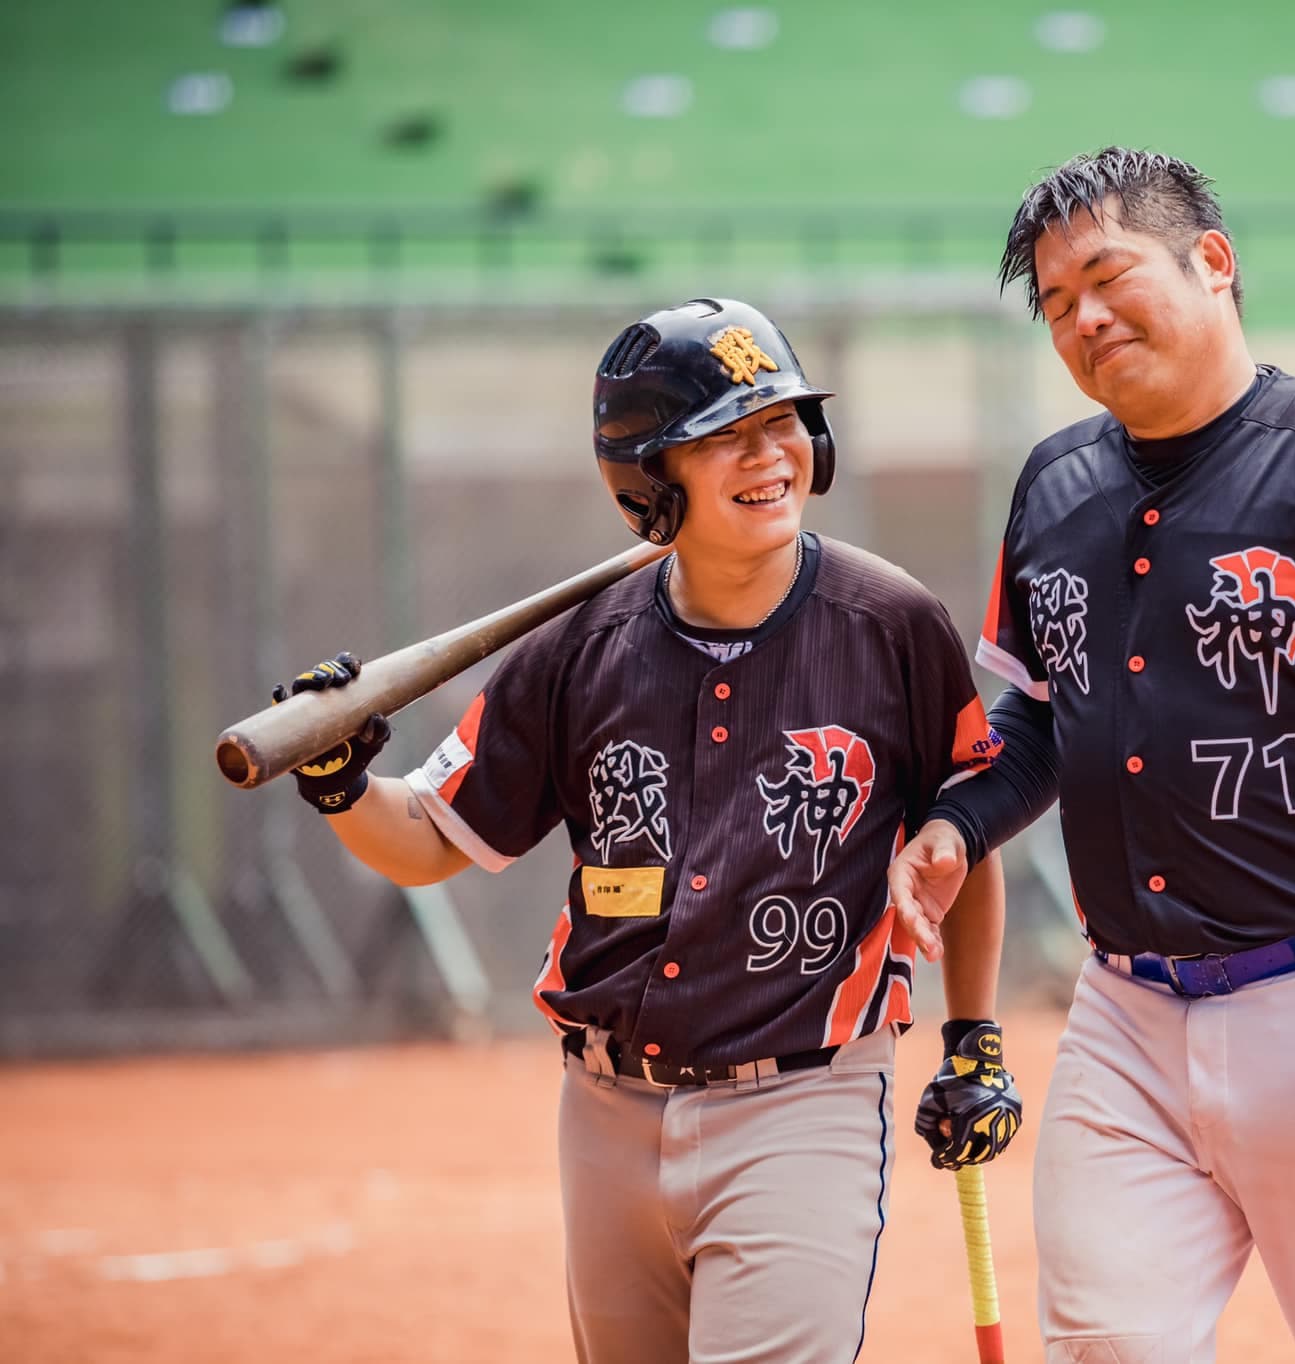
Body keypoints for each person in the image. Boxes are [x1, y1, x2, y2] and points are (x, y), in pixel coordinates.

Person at [888, 148, 1295, 1364]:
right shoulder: (1052, 487)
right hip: (1125, 1011)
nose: (1082, 319)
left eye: (1105, 276)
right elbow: (1037, 725)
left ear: (1212, 263)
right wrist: (953, 828)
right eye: (1053, 305)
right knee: (1104, 1340)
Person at [269, 298, 1022, 1364]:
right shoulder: (577, 648)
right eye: (724, 436)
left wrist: (973, 1036)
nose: (769, 456)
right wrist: (342, 780)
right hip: (605, 1109)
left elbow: (962, 831)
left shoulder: (889, 624)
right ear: (649, 480)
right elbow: (432, 838)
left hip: (801, 1100)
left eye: (783, 423)